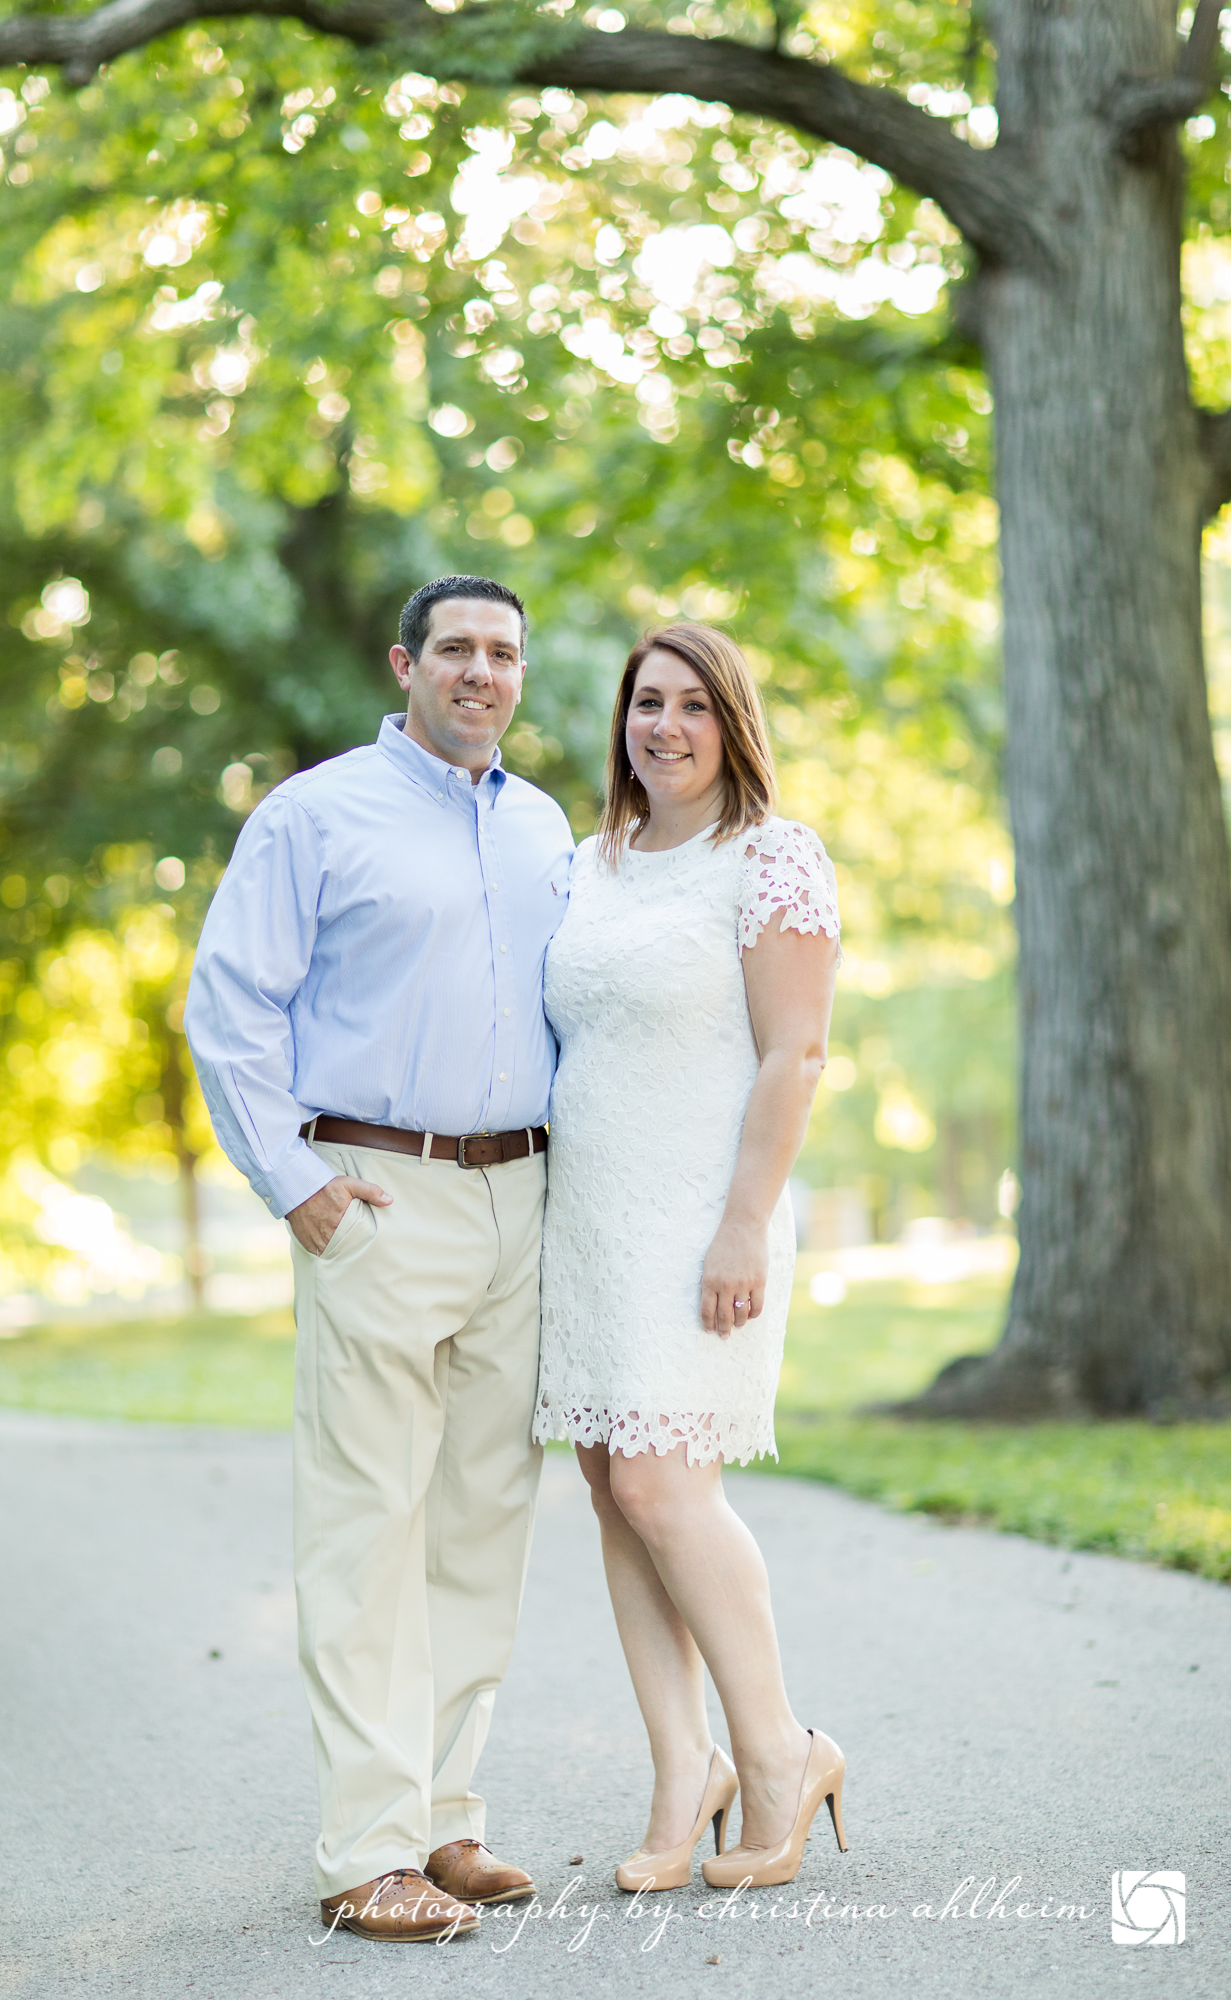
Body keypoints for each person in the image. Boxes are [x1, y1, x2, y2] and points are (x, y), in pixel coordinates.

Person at [185, 576, 574, 1943]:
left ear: (522, 675)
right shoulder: (315, 813)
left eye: (504, 653)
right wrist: (301, 1190)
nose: (481, 671)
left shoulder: (543, 829)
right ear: (407, 664)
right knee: (368, 1524)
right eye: (457, 649)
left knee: (482, 1522)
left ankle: (445, 1821)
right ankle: (365, 1847)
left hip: (521, 1198)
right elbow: (230, 1006)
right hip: (376, 1194)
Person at [533, 622, 847, 1894]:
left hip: (704, 1218)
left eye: (691, 705)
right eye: (644, 702)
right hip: (591, 1221)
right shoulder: (588, 863)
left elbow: (795, 1054)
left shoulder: (771, 858)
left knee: (668, 1489)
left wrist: (739, 1222)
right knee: (613, 1489)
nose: (662, 726)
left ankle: (779, 1753)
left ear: (732, 724)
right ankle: (683, 1768)